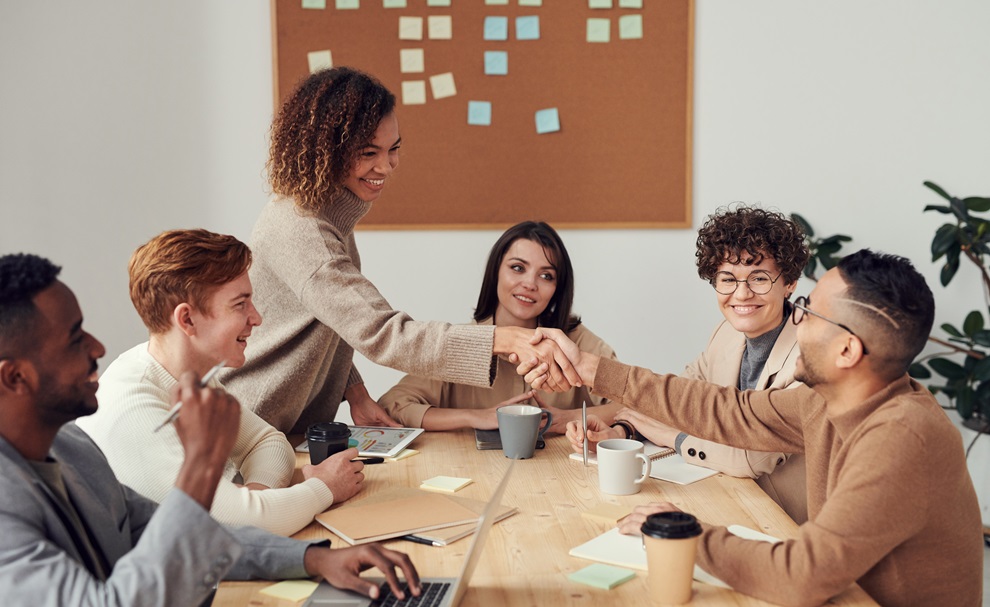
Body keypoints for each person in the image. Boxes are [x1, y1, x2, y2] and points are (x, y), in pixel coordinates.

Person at [538, 250, 982, 606]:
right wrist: (592, 369)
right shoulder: (829, 400)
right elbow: (729, 411)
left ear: (847, 350)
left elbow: (802, 576)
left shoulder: (902, 437)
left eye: (808, 311)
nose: (796, 318)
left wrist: (687, 532)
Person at [0, 253, 421, 605]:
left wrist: (313, 560)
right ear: (15, 377)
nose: (98, 348)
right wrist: (202, 464)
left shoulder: (71, 448)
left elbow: (184, 536)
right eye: (75, 339)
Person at [221, 67, 579, 435]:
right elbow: (384, 333)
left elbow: (332, 320)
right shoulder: (304, 230)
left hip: (286, 429)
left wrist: (355, 392)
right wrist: (500, 339)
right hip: (251, 427)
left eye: (393, 149)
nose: (386, 166)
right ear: (326, 151)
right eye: (368, 152)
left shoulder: (326, 214)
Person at [77, 230, 363, 536]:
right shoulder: (134, 409)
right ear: (186, 320)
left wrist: (255, 500)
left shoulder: (189, 374)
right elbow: (237, 527)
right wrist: (323, 487)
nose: (256, 318)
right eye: (240, 305)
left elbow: (268, 442)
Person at [567, 205, 810, 522]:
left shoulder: (809, 356)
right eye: (727, 279)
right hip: (730, 499)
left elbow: (750, 458)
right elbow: (677, 400)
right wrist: (622, 430)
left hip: (787, 521)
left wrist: (673, 438)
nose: (742, 293)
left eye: (759, 278)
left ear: (789, 282)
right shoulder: (725, 334)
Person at [378, 221, 617, 431]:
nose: (530, 284)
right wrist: (476, 417)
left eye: (546, 276)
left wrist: (571, 418)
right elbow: (393, 405)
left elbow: (636, 405)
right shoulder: (462, 343)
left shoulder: (576, 341)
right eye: (518, 268)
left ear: (558, 289)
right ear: (496, 272)